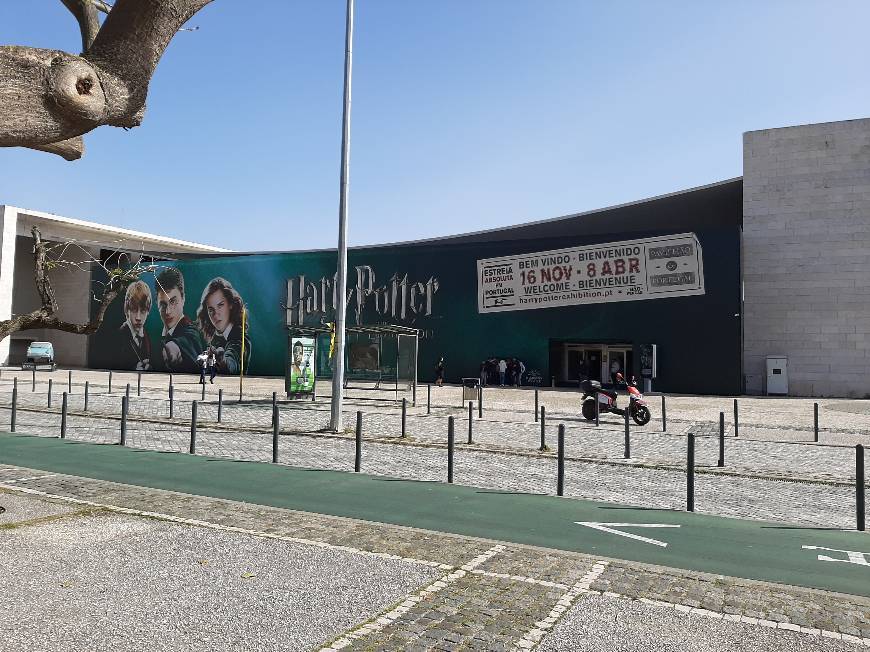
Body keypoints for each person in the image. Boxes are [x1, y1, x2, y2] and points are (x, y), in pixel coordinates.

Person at [197, 277, 251, 375]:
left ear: (230, 304)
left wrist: (221, 360)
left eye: (220, 305)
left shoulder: (239, 337)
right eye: (211, 310)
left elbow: (232, 363)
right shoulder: (215, 337)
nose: (216, 314)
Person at [156, 267, 204, 373]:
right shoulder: (156, 334)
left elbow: (188, 340)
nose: (168, 311)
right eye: (163, 304)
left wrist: (174, 348)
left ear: (183, 299)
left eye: (173, 301)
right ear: (157, 303)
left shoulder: (191, 331)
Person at [116, 280, 152, 370]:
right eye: (134, 310)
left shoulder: (148, 338)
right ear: (127, 309)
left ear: (148, 312)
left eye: (143, 311)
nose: (138, 317)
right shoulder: (117, 337)